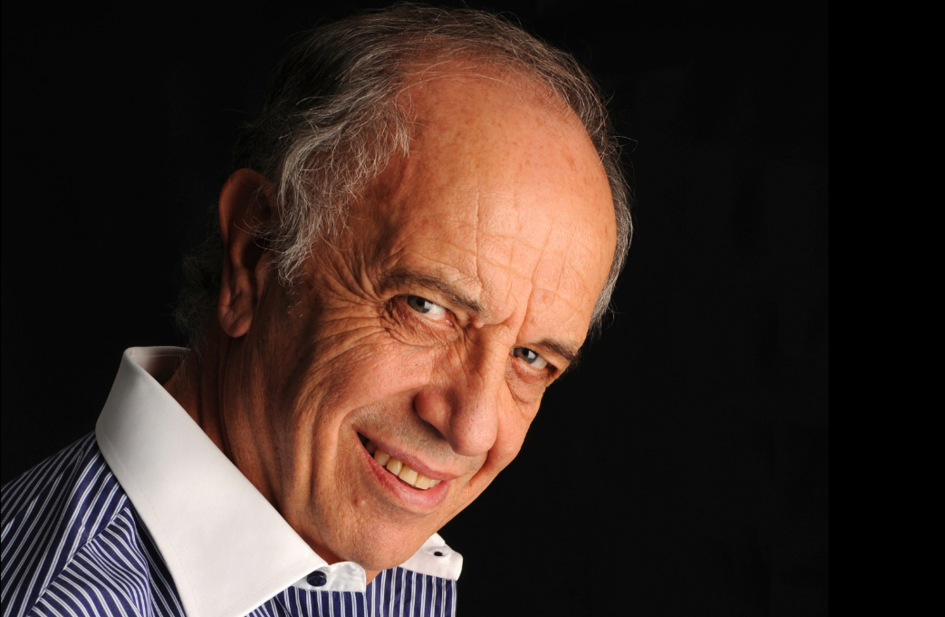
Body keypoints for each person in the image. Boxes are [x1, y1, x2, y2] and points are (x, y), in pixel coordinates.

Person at [1, 5, 630, 617]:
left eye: (531, 358)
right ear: (256, 252)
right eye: (426, 306)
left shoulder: (357, 549)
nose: (472, 429)